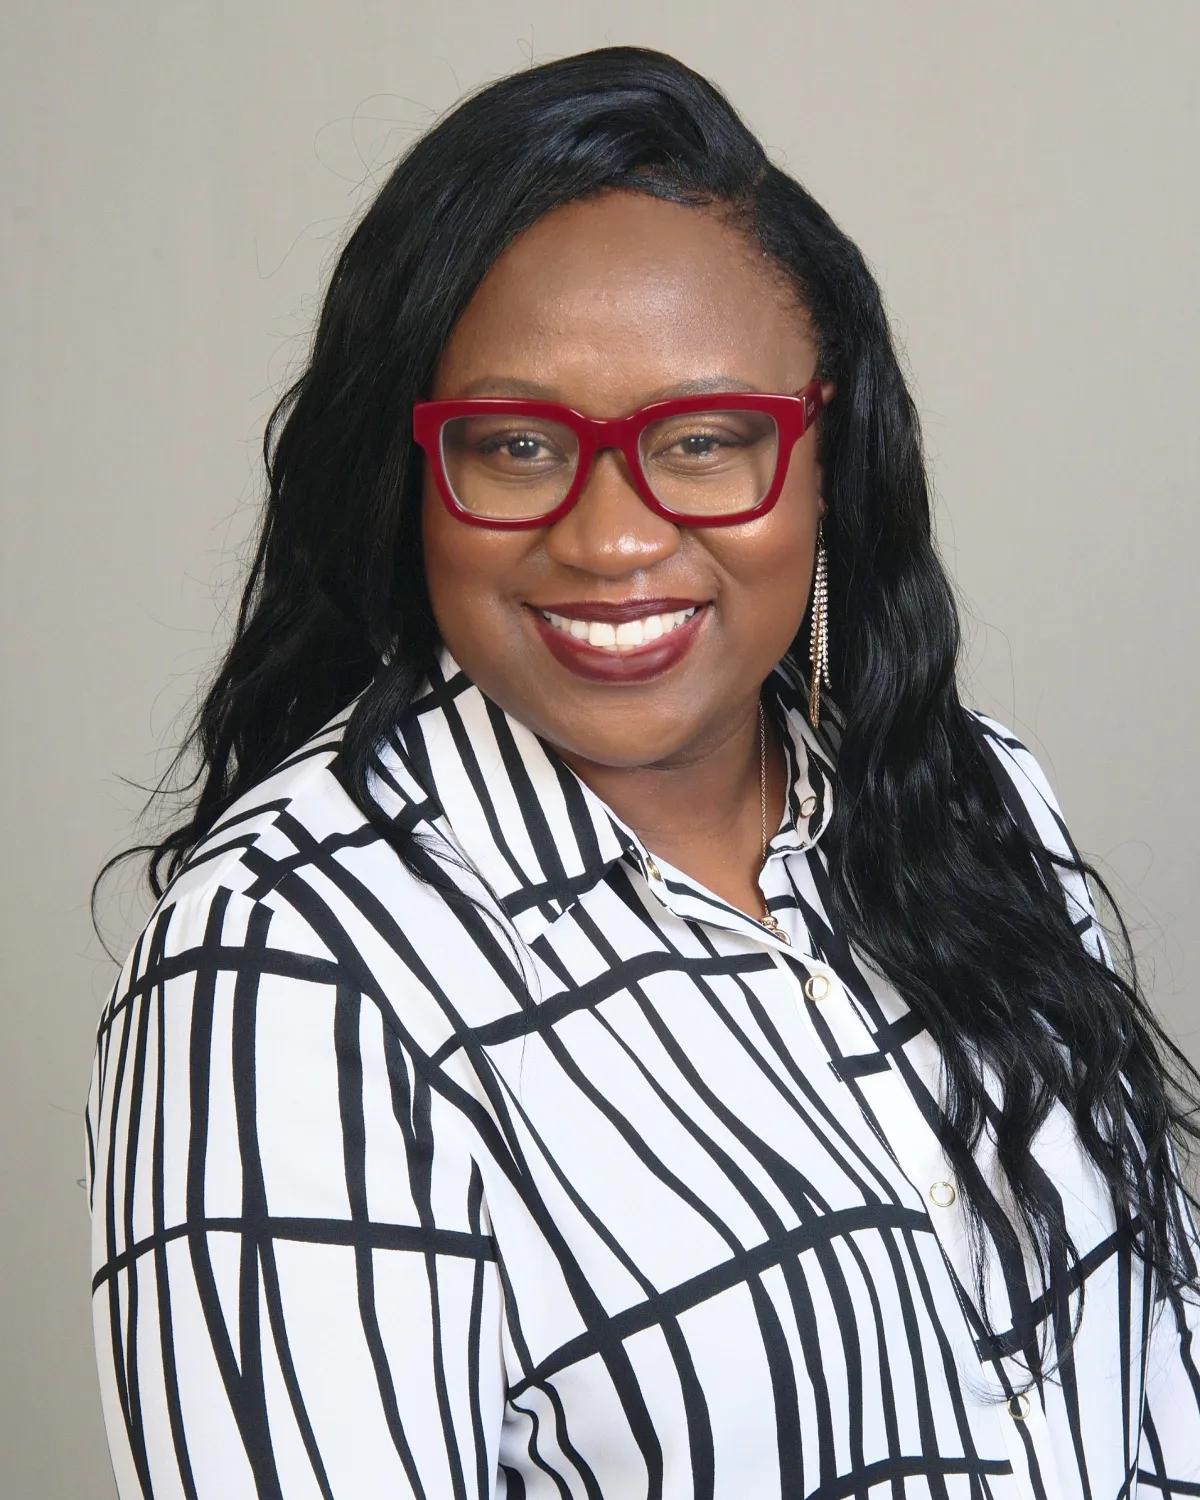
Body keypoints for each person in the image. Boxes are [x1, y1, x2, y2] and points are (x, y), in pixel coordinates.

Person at [85, 44, 1200, 1500]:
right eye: (515, 444)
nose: (612, 538)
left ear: (823, 455)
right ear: (416, 478)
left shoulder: (977, 802)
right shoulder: (284, 970)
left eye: (701, 437)